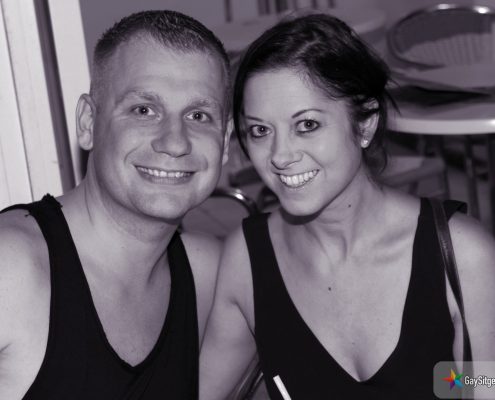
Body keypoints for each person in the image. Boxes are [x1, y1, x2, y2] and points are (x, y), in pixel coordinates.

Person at [199, 13, 495, 399]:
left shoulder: (459, 256)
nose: (280, 155)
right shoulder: (249, 259)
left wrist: (445, 384)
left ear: (365, 124)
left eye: (307, 125)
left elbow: (482, 385)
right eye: (260, 131)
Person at [0, 10, 232, 400]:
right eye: (144, 110)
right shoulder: (12, 268)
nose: (175, 142)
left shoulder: (210, 275)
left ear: (224, 142)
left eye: (198, 115)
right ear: (88, 123)